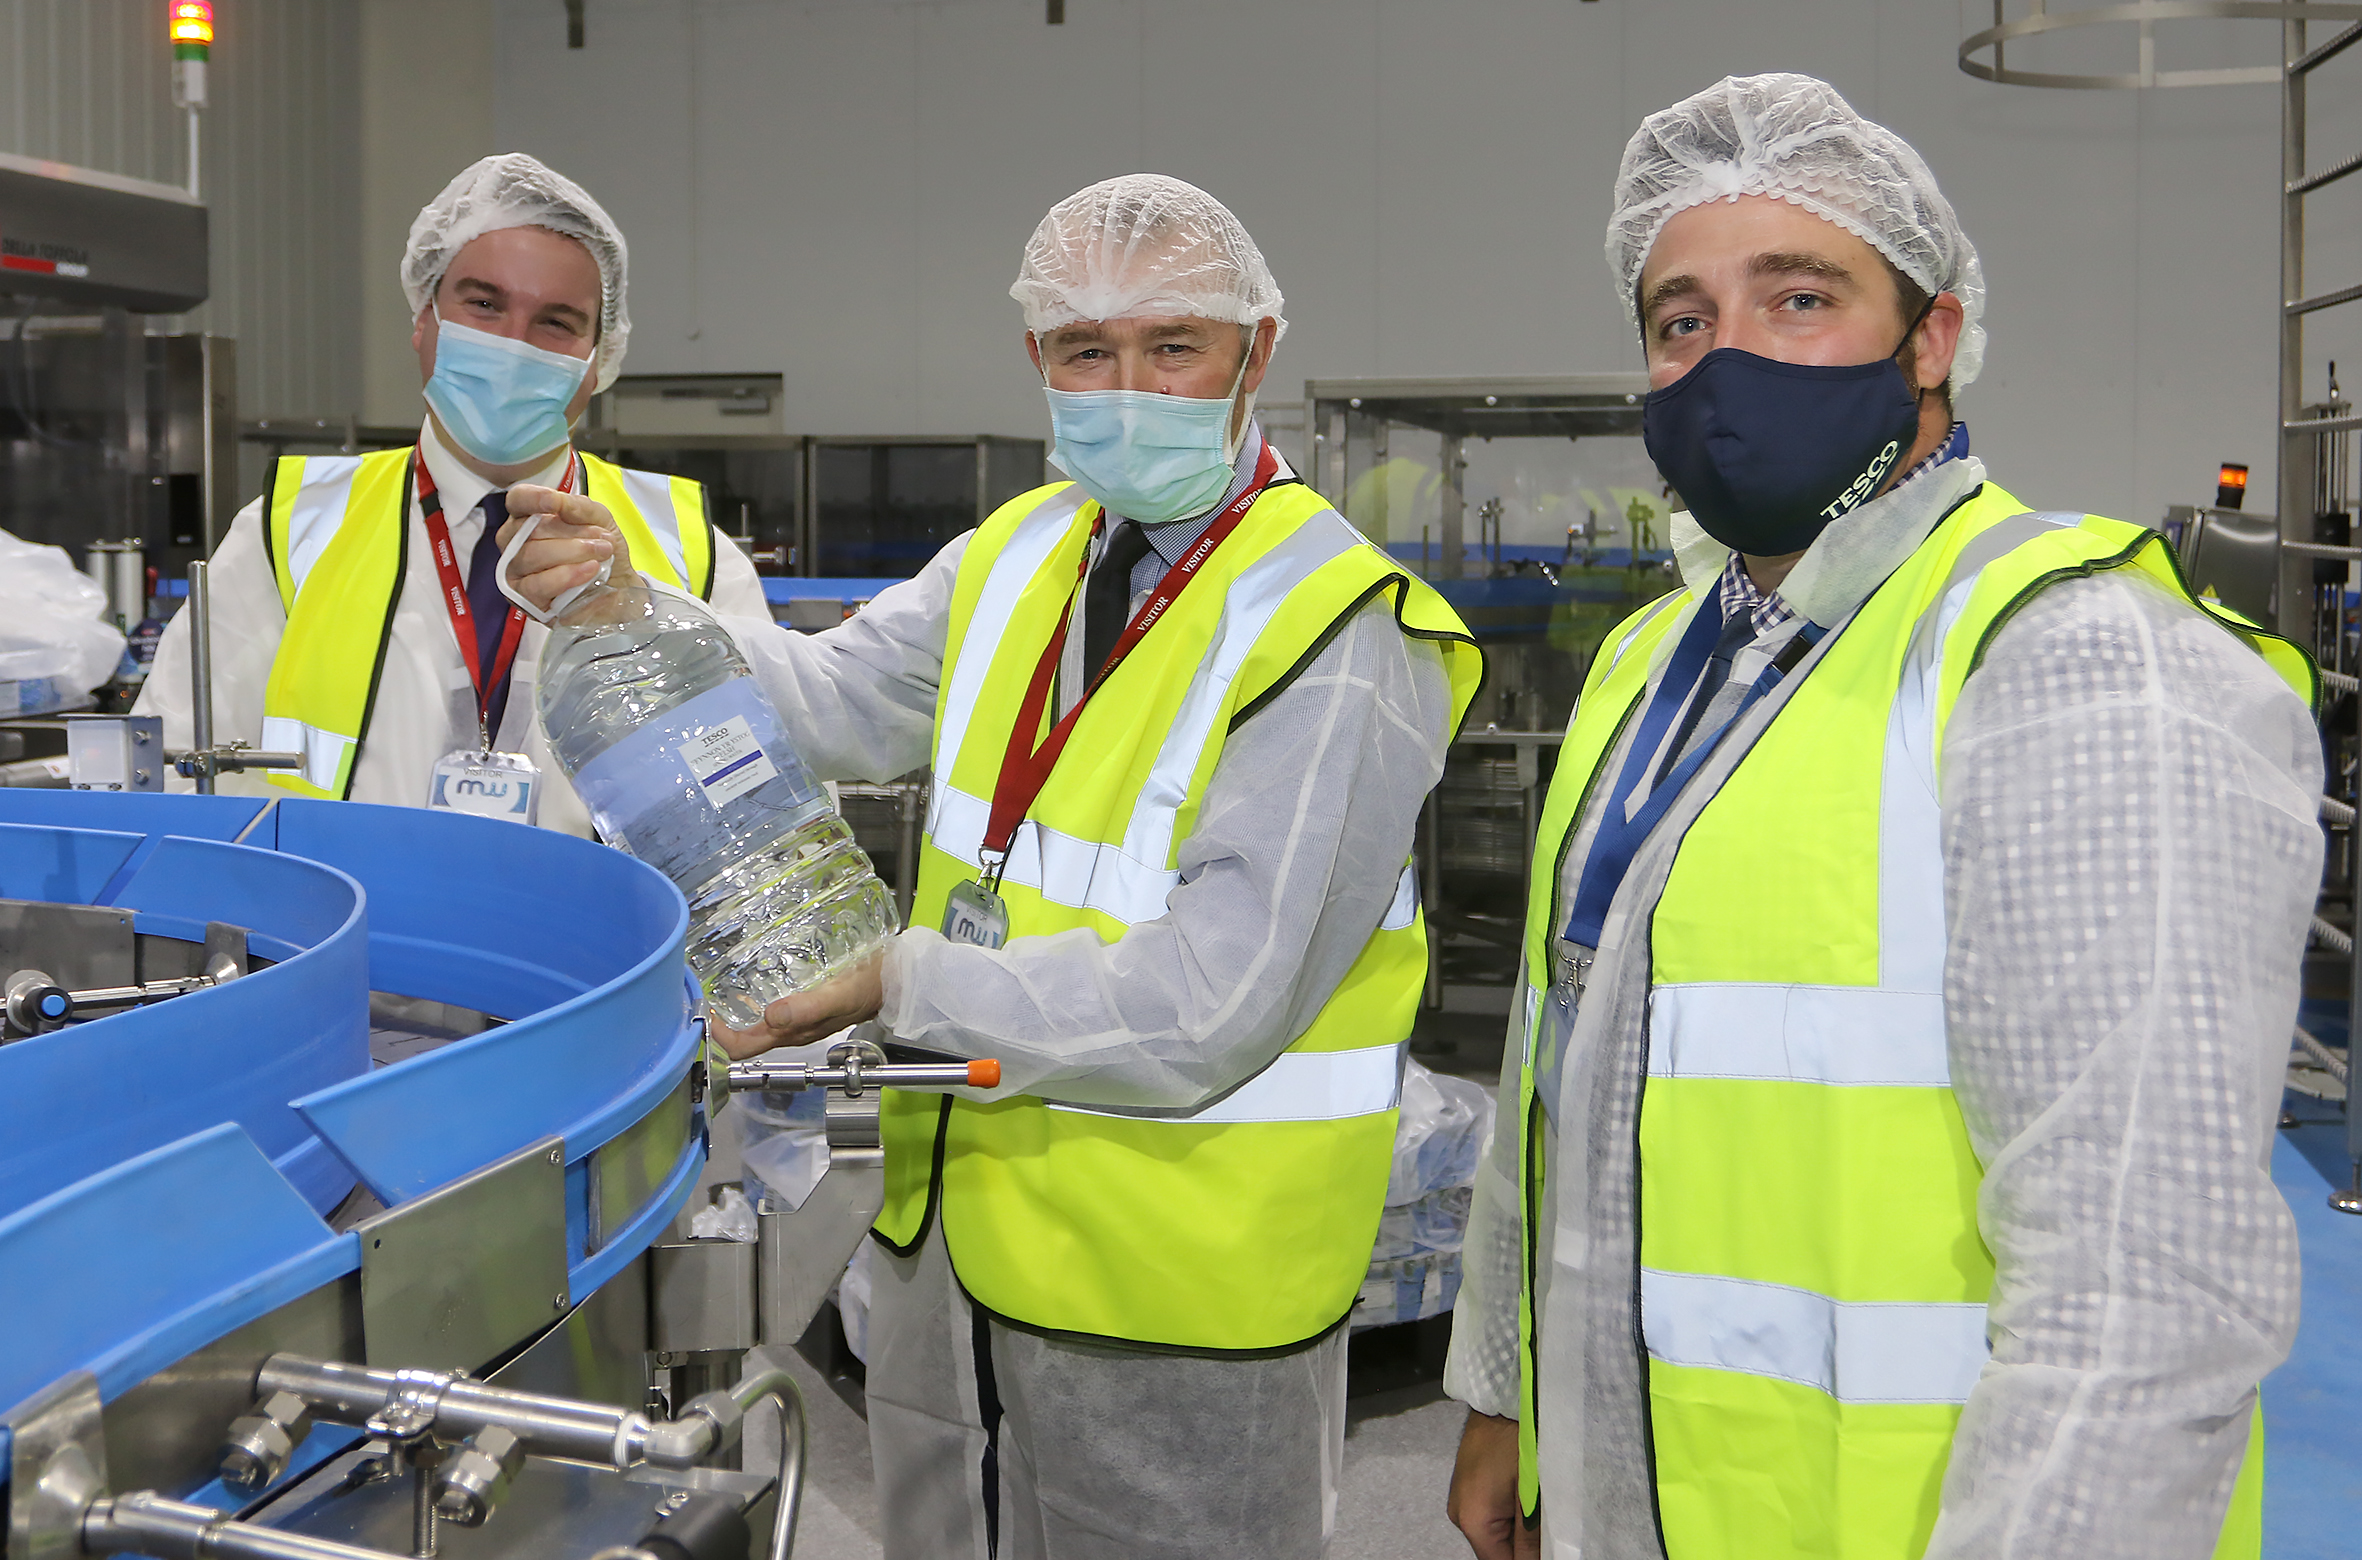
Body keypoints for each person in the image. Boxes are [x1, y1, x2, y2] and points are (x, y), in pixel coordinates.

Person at [504, 174, 1482, 1559]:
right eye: (1086, 350)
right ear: (1037, 363)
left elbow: (1215, 999)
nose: (1125, 386)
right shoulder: (1018, 552)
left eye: (1172, 346)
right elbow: (826, 701)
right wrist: (633, 607)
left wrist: (903, 975)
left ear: (1255, 354)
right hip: (952, 1255)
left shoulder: (1336, 628)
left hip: (1175, 1299)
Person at [1442, 74, 2320, 1560]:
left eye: (1795, 298)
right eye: (1679, 320)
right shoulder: (1655, 664)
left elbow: (2143, 1297)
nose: (1725, 363)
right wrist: (1509, 1385)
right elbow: (1560, 1077)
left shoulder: (2070, 661)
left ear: (1932, 335)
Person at [137, 153, 768, 831]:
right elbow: (171, 776)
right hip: (348, 931)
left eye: (555, 321)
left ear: (599, 360)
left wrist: (639, 638)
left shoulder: (692, 553)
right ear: (423, 319)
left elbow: (762, 804)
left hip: (598, 936)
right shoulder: (289, 531)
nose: (512, 345)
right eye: (484, 304)